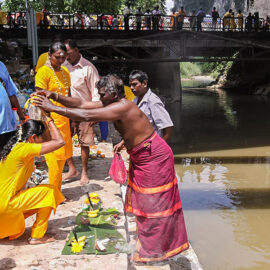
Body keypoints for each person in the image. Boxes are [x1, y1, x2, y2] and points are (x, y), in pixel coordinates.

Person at [35, 74, 189, 262]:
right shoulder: (112, 102)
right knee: (145, 201)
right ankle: (149, 243)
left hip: (154, 157)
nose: (99, 99)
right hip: (141, 156)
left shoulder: (122, 107)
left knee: (154, 202)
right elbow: (82, 104)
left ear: (114, 94)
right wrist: (54, 96)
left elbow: (86, 115)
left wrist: (52, 109)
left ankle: (157, 250)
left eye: (102, 95)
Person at [0, 118, 65, 244]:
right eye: (44, 138)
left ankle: (9, 227)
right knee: (49, 192)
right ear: (33, 138)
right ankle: (37, 236)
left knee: (35, 193)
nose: (46, 142)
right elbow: (59, 142)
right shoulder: (24, 149)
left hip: (3, 208)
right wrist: (49, 120)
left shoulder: (14, 148)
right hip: (3, 208)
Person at [35, 41, 73, 192]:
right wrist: (47, 123)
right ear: (50, 55)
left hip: (65, 119)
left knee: (62, 159)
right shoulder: (43, 72)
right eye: (58, 57)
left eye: (64, 57)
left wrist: (73, 119)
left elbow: (68, 96)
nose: (61, 60)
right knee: (54, 162)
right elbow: (39, 97)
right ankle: (54, 194)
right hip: (51, 123)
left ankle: (57, 192)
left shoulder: (65, 72)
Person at [62, 39, 100, 184]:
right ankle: (72, 168)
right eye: (65, 54)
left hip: (84, 111)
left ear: (77, 50)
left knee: (85, 141)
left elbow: (96, 92)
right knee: (64, 139)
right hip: (67, 111)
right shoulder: (63, 67)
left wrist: (95, 112)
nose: (67, 57)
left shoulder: (88, 68)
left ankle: (84, 171)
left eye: (69, 53)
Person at [0, 61, 25, 150]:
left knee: (6, 159)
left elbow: (11, 94)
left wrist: (22, 117)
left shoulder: (1, 65)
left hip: (7, 125)